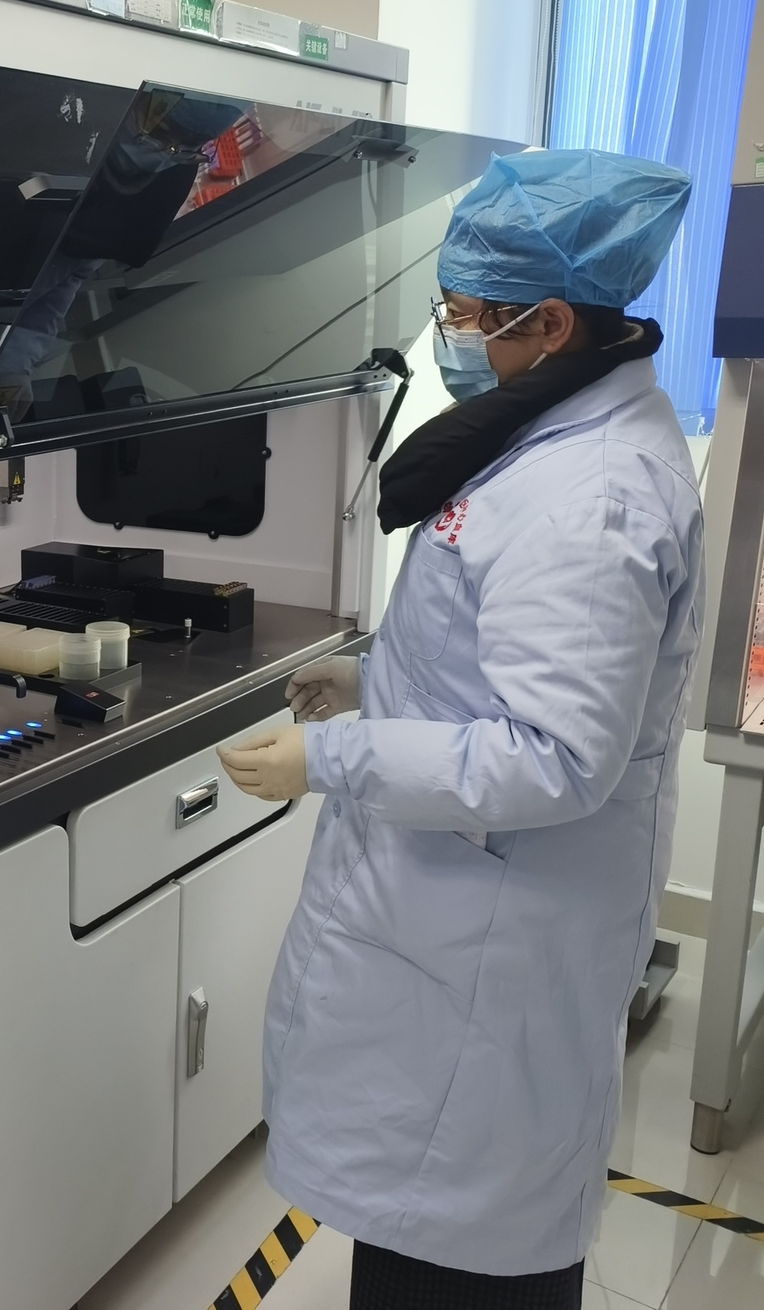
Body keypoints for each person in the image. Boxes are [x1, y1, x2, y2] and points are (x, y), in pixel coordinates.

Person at [216, 148, 701, 1308]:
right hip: (458, 920)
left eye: (468, 313)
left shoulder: (590, 497)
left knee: (461, 1245)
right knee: (416, 1223)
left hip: (496, 941)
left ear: (550, 321)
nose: (451, 333)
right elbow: (503, 657)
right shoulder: (551, 434)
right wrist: (373, 679)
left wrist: (329, 755)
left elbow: (555, 754)